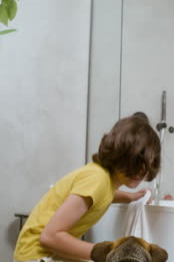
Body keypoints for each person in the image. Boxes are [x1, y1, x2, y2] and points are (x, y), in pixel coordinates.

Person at [13, 112, 161, 262]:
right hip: (36, 256)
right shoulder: (96, 179)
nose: (141, 170)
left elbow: (102, 196)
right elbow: (50, 237)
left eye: (146, 163)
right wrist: (109, 253)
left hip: (45, 254)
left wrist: (132, 196)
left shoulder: (103, 181)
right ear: (119, 154)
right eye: (135, 161)